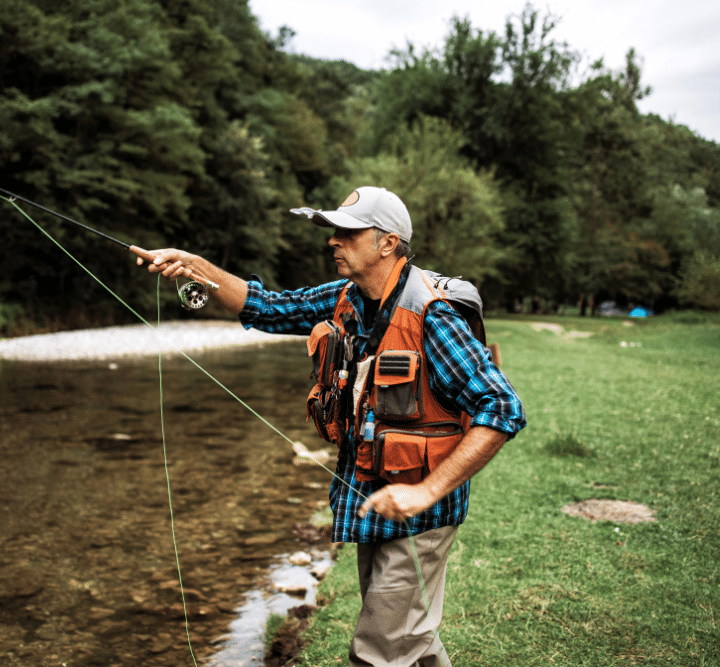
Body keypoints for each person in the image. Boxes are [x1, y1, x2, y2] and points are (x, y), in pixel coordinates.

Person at [132, 186, 525, 667]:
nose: (333, 241)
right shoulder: (348, 297)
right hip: (375, 499)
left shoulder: (433, 314)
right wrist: (196, 266)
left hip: (421, 515)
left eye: (347, 232)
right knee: (410, 642)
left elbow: (501, 407)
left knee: (378, 652)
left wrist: (426, 491)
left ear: (387, 243)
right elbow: (266, 307)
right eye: (333, 232)